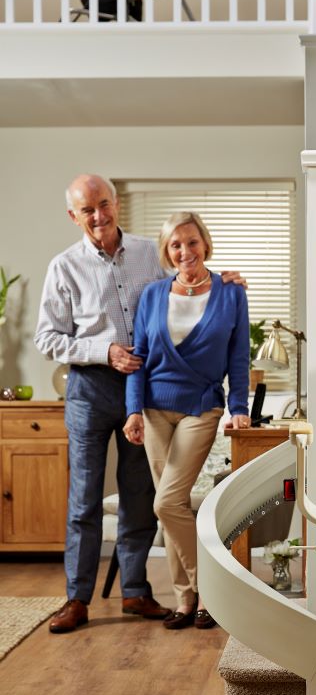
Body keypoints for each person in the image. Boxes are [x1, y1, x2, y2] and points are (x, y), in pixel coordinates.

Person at [34, 175, 245, 634]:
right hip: (91, 388)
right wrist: (104, 351)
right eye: (87, 210)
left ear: (116, 205)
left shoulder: (152, 251)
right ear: (74, 216)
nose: (98, 216)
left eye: (104, 205)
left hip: (145, 391)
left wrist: (228, 279)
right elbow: (46, 337)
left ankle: (135, 590)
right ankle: (77, 598)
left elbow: (188, 280)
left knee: (142, 495)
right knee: (85, 498)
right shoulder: (64, 267)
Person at [123, 211, 251, 629]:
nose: (185, 251)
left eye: (192, 242)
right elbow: (139, 360)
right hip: (155, 409)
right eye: (175, 245)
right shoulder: (154, 295)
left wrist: (238, 407)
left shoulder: (231, 293)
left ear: (205, 243)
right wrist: (133, 409)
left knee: (166, 501)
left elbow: (237, 356)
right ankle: (186, 600)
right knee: (171, 507)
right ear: (167, 251)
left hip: (202, 405)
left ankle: (211, 592)